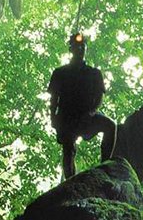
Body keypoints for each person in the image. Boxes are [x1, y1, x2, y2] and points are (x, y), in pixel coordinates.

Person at [48, 33, 117, 180]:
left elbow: (99, 96)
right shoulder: (60, 73)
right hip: (67, 119)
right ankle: (70, 181)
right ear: (71, 49)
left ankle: (104, 167)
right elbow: (53, 98)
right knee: (68, 149)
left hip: (86, 117)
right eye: (76, 46)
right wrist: (53, 118)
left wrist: (91, 112)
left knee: (110, 126)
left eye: (82, 46)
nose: (80, 49)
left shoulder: (93, 73)